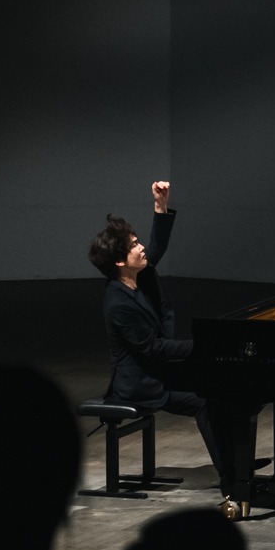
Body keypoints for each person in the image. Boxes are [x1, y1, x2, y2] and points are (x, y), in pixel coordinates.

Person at [86, 179, 228, 489]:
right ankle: (230, 472)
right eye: (134, 245)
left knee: (216, 390)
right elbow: (152, 349)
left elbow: (157, 247)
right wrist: (201, 347)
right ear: (120, 261)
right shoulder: (118, 303)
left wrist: (160, 205)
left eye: (137, 241)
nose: (141, 248)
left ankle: (230, 460)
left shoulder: (138, 276)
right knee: (203, 399)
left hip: (157, 372)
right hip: (140, 385)